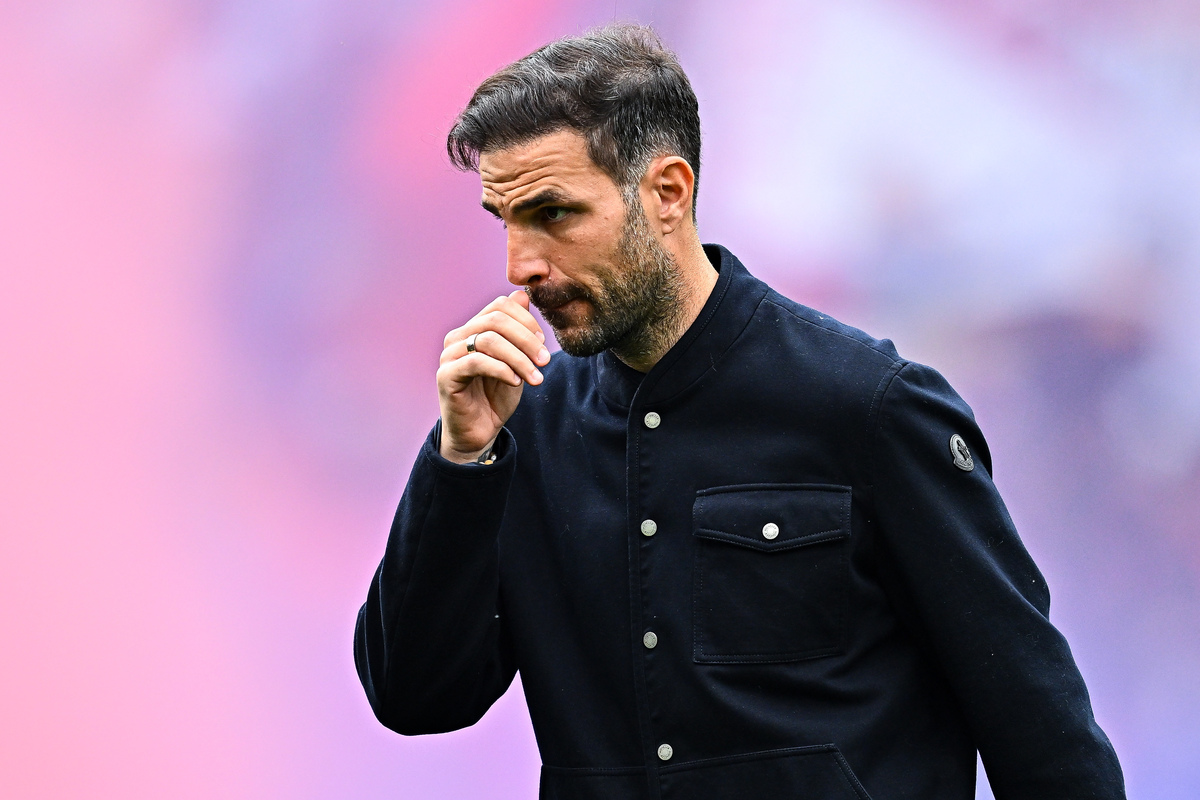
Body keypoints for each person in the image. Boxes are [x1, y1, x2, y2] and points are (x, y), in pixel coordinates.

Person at [354, 23, 1125, 800]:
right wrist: (460, 463)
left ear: (667, 192)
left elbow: (1043, 738)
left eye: (554, 214)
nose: (522, 266)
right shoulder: (518, 430)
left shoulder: (868, 404)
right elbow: (415, 697)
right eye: (506, 219)